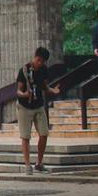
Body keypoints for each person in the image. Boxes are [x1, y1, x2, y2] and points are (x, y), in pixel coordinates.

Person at [15, 46, 60, 174]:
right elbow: (18, 90)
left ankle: (39, 163)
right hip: (24, 106)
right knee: (25, 136)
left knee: (44, 133)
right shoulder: (24, 70)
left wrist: (53, 90)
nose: (39, 63)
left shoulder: (43, 70)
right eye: (38, 60)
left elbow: (44, 86)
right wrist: (24, 94)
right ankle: (27, 164)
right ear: (35, 57)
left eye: (42, 61)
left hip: (38, 105)